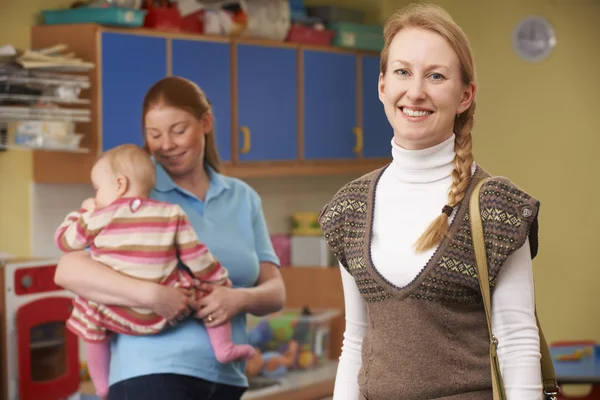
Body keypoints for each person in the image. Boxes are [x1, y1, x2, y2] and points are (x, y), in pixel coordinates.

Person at [318, 3, 543, 400]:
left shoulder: (496, 208)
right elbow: (356, 339)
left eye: (436, 76)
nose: (416, 91)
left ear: (464, 96)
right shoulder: (349, 208)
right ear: (382, 85)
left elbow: (517, 340)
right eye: (403, 72)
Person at [54, 76, 285, 400]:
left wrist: (239, 300)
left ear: (205, 122)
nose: (167, 144)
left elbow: (275, 291)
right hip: (151, 374)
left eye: (178, 130)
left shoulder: (242, 197)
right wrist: (152, 296)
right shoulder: (136, 190)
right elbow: (68, 269)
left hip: (227, 378)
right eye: (154, 135)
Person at [54, 144, 256, 398]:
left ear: (119, 184)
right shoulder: (171, 213)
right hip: (171, 311)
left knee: (88, 314)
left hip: (117, 312)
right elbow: (196, 256)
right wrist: (219, 281)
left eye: (97, 189)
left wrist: (85, 211)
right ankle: (224, 347)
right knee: (208, 295)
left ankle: (101, 384)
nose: (96, 196)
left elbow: (64, 240)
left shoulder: (100, 216)